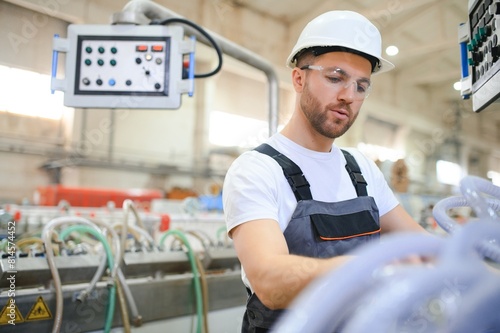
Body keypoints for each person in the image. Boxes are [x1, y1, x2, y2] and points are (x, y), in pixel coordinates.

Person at [222, 10, 427, 332]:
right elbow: (270, 280)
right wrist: (372, 267)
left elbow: (422, 245)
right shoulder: (257, 169)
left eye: (361, 86)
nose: (349, 96)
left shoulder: (361, 168)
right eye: (335, 78)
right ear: (299, 78)